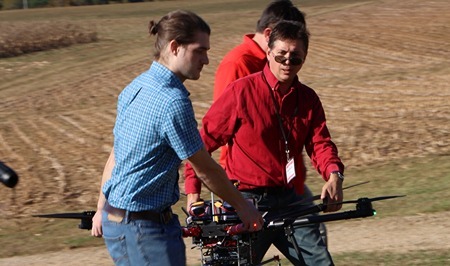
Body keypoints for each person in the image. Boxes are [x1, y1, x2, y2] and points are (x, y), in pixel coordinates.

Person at [90, 10, 263, 266]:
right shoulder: (172, 101)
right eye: (199, 50)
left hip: (117, 222)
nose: (206, 59)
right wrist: (243, 207)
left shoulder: (136, 86)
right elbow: (204, 169)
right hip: (145, 229)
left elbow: (117, 155)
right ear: (175, 47)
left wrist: (101, 209)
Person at [185, 20, 344, 265]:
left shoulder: (308, 99)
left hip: (293, 199)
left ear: (305, 57)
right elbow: (201, 143)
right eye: (281, 55)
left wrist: (334, 176)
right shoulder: (241, 92)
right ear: (268, 52)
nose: (287, 63)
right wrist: (193, 190)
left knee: (321, 263)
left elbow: (320, 142)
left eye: (296, 57)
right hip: (245, 202)